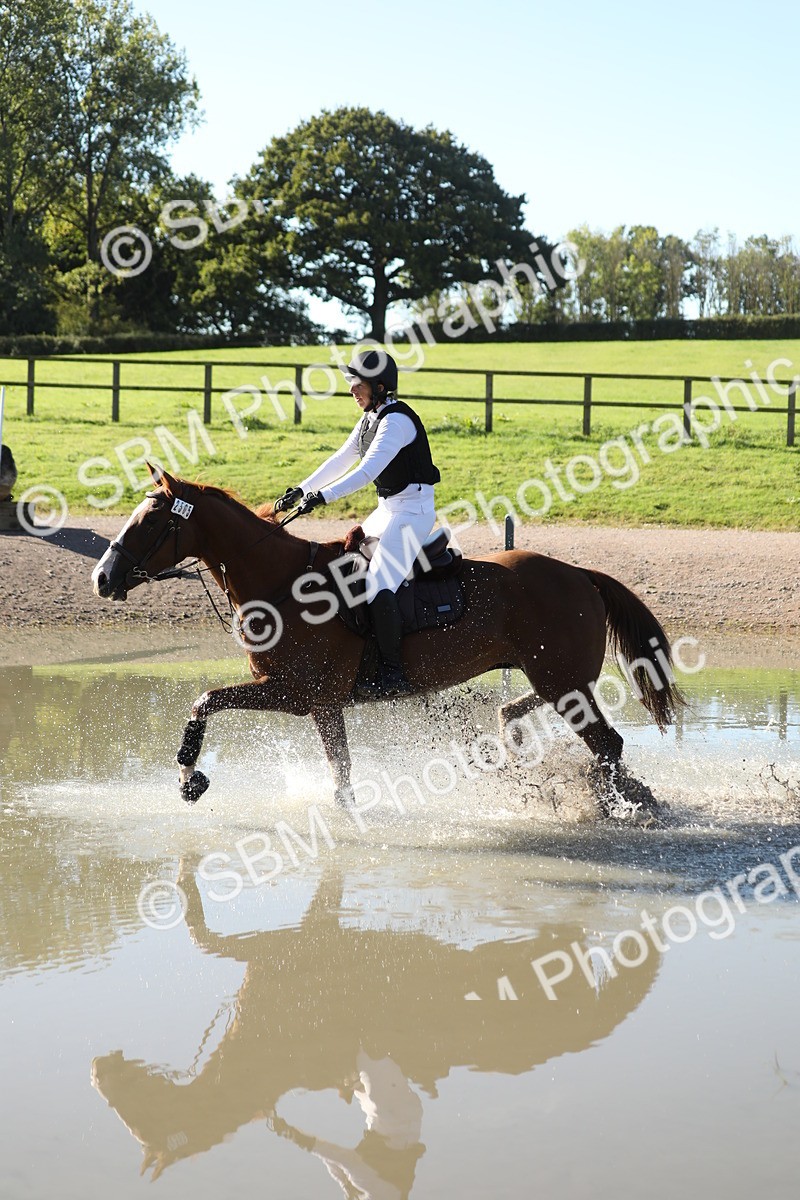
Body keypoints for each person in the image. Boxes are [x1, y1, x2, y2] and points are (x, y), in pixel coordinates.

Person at [274, 349, 440, 698]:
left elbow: (366, 472)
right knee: (348, 562)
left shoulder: (396, 422)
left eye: (357, 384)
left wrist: (323, 498)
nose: (351, 390)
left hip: (412, 513)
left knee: (379, 584)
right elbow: (342, 458)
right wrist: (301, 489)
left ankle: (394, 674)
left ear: (380, 386)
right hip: (388, 508)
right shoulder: (370, 418)